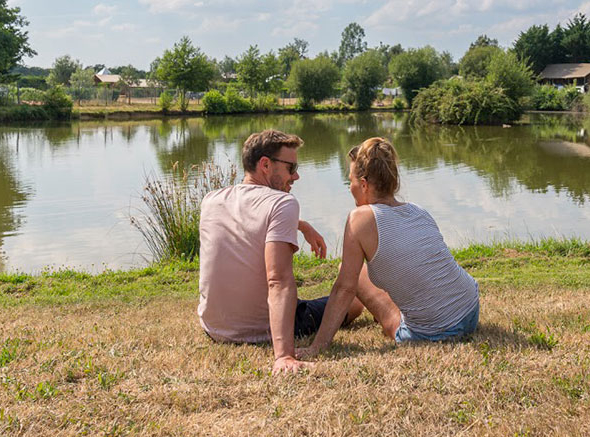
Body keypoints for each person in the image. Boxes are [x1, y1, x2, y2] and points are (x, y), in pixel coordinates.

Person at [198, 129, 364, 374]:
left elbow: (249, 218)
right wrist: (284, 355)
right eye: (291, 167)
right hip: (259, 329)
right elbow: (278, 281)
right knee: (354, 302)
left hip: (214, 329)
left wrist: (301, 224)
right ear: (265, 164)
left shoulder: (212, 199)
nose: (296, 176)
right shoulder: (282, 203)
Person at [297, 137, 480, 360]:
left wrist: (318, 346)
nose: (350, 188)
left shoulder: (360, 219)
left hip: (436, 331)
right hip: (471, 308)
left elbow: (345, 288)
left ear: (364, 184)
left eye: (351, 182)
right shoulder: (417, 211)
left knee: (350, 275)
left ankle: (392, 316)